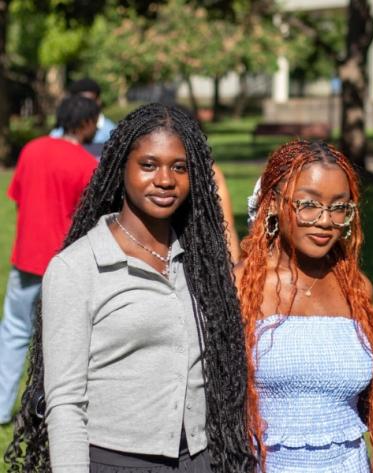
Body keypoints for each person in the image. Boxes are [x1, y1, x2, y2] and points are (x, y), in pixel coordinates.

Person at [3, 103, 257, 472]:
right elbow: (66, 404)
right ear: (122, 167)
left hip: (202, 460)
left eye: (179, 167)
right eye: (149, 165)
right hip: (115, 461)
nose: (165, 180)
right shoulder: (77, 267)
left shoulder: (202, 262)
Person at [236, 140, 373, 472]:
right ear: (273, 203)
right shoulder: (242, 288)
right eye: (309, 204)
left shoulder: (357, 289)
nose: (324, 220)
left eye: (338, 207)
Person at [0, 95, 99, 426]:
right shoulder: (87, 164)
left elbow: (17, 197)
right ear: (86, 124)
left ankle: (1, 407)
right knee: (60, 341)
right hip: (64, 265)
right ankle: (48, 410)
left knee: (14, 330)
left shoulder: (31, 149)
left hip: (26, 258)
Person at [50, 78, 118, 157]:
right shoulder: (57, 134)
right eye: (80, 102)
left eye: (89, 101)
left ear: (98, 101)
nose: (85, 107)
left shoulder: (111, 132)